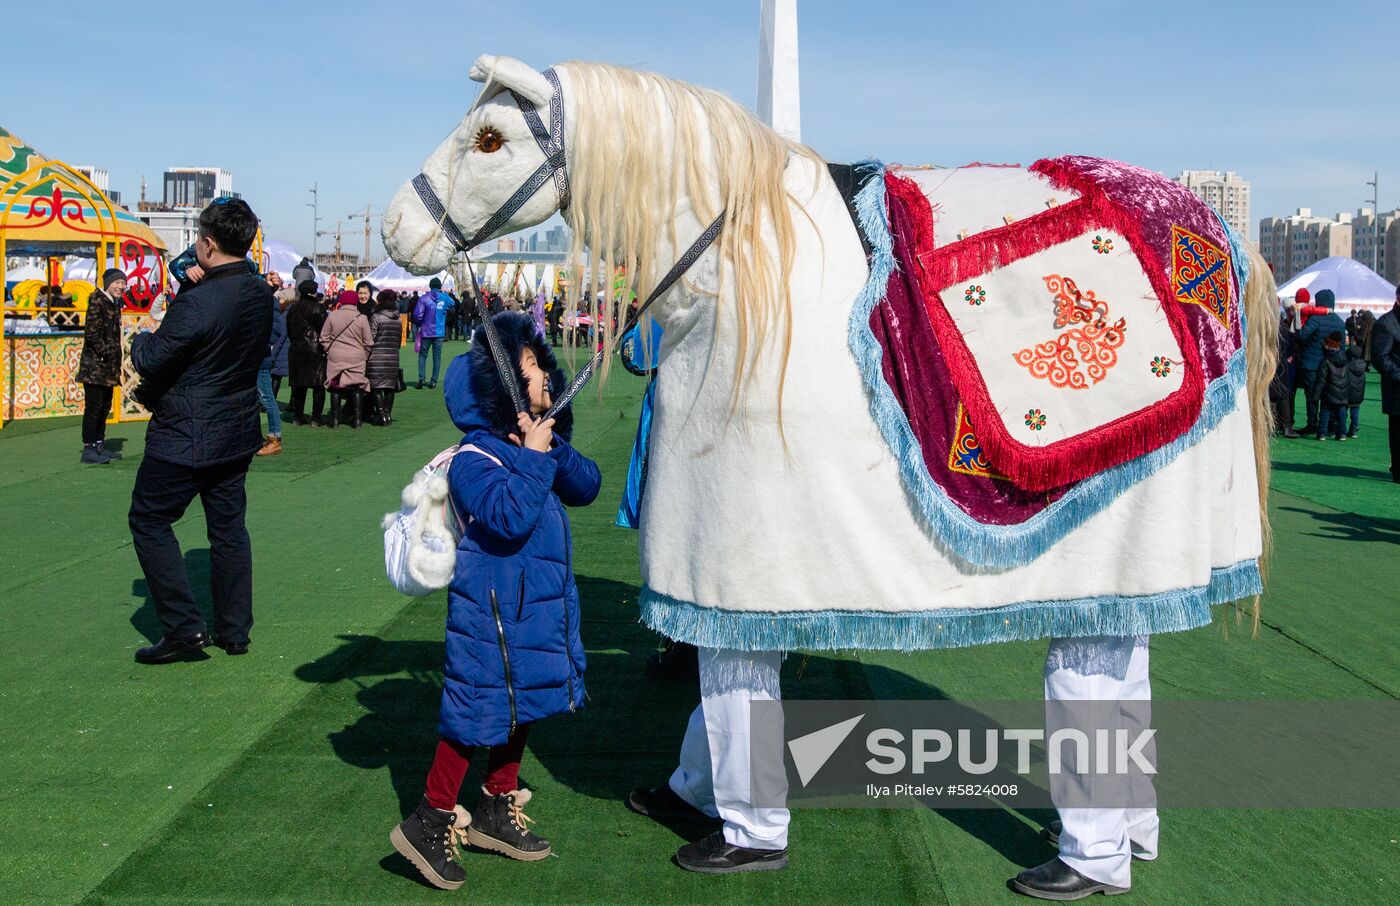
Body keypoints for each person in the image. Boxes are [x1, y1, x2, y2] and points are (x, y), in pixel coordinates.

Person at [389, 312, 600, 890]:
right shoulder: (472, 458)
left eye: (541, 367)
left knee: (523, 702)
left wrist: (548, 444)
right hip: (492, 613)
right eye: (531, 370)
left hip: (536, 607)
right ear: (500, 387)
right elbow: (507, 517)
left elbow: (587, 487)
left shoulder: (534, 441)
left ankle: (493, 805)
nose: (545, 379)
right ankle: (429, 820)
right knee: (473, 713)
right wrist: (533, 458)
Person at [126, 197, 271, 665]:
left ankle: (185, 629)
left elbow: (150, 358)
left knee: (149, 520)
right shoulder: (257, 293)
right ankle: (235, 632)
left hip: (187, 432)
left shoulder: (200, 300)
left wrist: (141, 336)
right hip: (234, 429)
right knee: (228, 530)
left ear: (207, 244)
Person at [76, 268, 127, 464]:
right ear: (108, 283)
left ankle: (99, 444)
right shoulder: (97, 300)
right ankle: (88, 447)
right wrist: (106, 352)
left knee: (104, 406)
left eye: (123, 283)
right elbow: (92, 333)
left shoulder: (113, 303)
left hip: (108, 367)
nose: (121, 286)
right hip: (95, 366)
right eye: (117, 282)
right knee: (94, 407)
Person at [1294, 288, 1345, 434]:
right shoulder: (1340, 322)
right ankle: (1331, 425)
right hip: (1332, 366)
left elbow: (1302, 336)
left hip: (1312, 364)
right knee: (1329, 394)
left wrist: (1297, 320)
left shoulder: (1315, 319)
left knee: (1312, 395)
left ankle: (1312, 424)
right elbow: (1341, 347)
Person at [320, 290, 373, 428]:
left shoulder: (332, 316)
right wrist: (364, 355)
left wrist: (329, 349)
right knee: (357, 387)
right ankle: (357, 420)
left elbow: (323, 337)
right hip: (356, 355)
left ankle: (335, 420)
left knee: (335, 386)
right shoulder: (361, 318)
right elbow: (368, 341)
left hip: (336, 355)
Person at [285, 280, 327, 426]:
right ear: (314, 291)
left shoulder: (292, 308)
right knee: (318, 385)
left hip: (296, 349)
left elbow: (289, 330)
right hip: (316, 350)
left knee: (299, 385)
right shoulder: (319, 308)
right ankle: (316, 418)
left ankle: (298, 416)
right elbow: (324, 331)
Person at [255, 273, 288, 456]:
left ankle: (275, 438)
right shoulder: (258, 304)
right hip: (252, 359)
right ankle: (256, 437)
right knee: (256, 398)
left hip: (259, 358)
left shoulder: (270, 304)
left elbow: (275, 332)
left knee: (266, 397)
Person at [1372, 286, 1400, 482]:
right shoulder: (1387, 324)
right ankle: (1398, 470)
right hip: (1397, 391)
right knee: (1398, 435)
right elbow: (1381, 358)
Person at [366, 289, 404, 425]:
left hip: (377, 356)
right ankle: (387, 414)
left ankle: (381, 414)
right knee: (389, 387)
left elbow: (371, 338)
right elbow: (399, 340)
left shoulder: (376, 317)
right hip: (393, 356)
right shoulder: (398, 319)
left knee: (376, 387)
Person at [412, 277, 450, 388]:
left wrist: (420, 324)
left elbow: (417, 315)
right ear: (440, 286)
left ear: (430, 286)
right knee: (437, 357)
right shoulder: (444, 297)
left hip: (426, 332)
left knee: (423, 356)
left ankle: (421, 378)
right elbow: (452, 303)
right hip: (439, 333)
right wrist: (443, 308)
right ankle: (434, 381)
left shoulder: (424, 298)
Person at [1270, 305, 1299, 437]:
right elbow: (1293, 344)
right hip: (1281, 364)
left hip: (1268, 363)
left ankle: (1270, 425)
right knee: (1282, 396)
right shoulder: (1284, 329)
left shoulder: (1267, 328)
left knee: (1268, 396)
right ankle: (1286, 426)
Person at [1316, 332, 1348, 441]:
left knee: (1325, 413)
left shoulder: (1326, 361)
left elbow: (1321, 380)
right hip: (1342, 392)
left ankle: (1321, 433)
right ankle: (1342, 433)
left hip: (1328, 392)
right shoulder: (1345, 360)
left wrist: (1315, 395)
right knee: (1341, 414)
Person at [1343, 342, 1368, 439]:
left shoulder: (1346, 365)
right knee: (1355, 411)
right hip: (1358, 394)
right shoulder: (1362, 366)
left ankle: (1341, 429)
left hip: (1347, 392)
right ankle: (1354, 430)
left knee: (1343, 411)